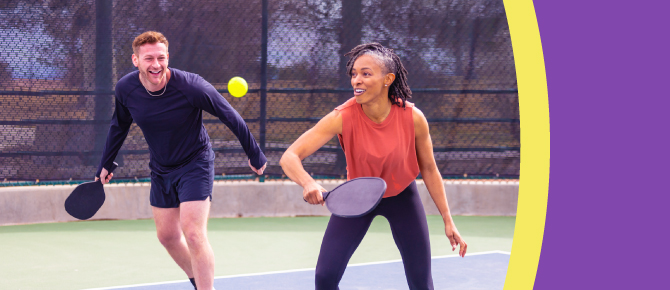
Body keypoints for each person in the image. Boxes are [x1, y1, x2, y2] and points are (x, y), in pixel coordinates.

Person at [280, 43, 466, 289]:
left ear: (388, 79)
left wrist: (447, 219)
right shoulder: (342, 116)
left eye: (366, 74)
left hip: (402, 197)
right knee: (325, 278)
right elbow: (289, 156)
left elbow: (430, 169)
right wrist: (308, 182)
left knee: (421, 282)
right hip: (358, 197)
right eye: (354, 74)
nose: (357, 80)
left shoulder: (413, 118)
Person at [95, 31, 266, 290]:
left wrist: (254, 153)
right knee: (167, 236)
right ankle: (199, 281)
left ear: (167, 58)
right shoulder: (126, 89)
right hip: (161, 168)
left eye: (161, 58)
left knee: (194, 234)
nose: (156, 65)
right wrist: (105, 163)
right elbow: (119, 125)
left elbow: (228, 115)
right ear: (135, 60)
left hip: (195, 163)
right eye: (148, 58)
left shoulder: (191, 86)